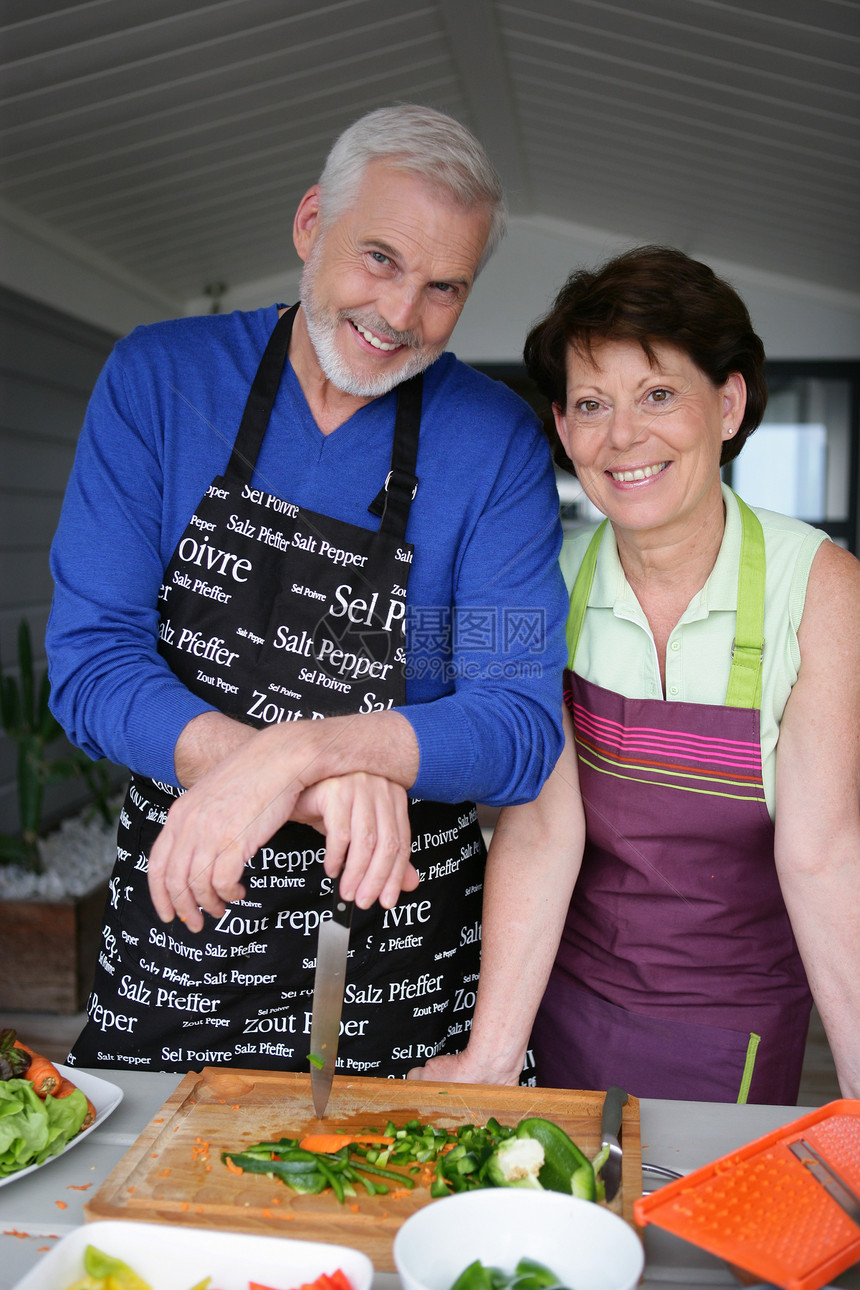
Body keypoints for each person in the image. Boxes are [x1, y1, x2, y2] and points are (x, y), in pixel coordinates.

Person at [46, 105, 568, 1075]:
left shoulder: (491, 440)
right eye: (378, 259)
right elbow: (92, 662)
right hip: (188, 917)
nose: (401, 314)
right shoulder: (159, 379)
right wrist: (311, 784)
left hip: (402, 949)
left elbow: (516, 725)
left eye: (442, 286)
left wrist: (308, 749)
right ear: (308, 224)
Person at [416, 246, 860, 1104]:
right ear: (561, 427)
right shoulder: (537, 580)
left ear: (728, 403)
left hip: (732, 1022)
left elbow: (822, 857)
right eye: (592, 404)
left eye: (658, 395)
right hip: (557, 997)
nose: (623, 437)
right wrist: (491, 1055)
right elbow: (538, 832)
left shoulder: (825, 587)